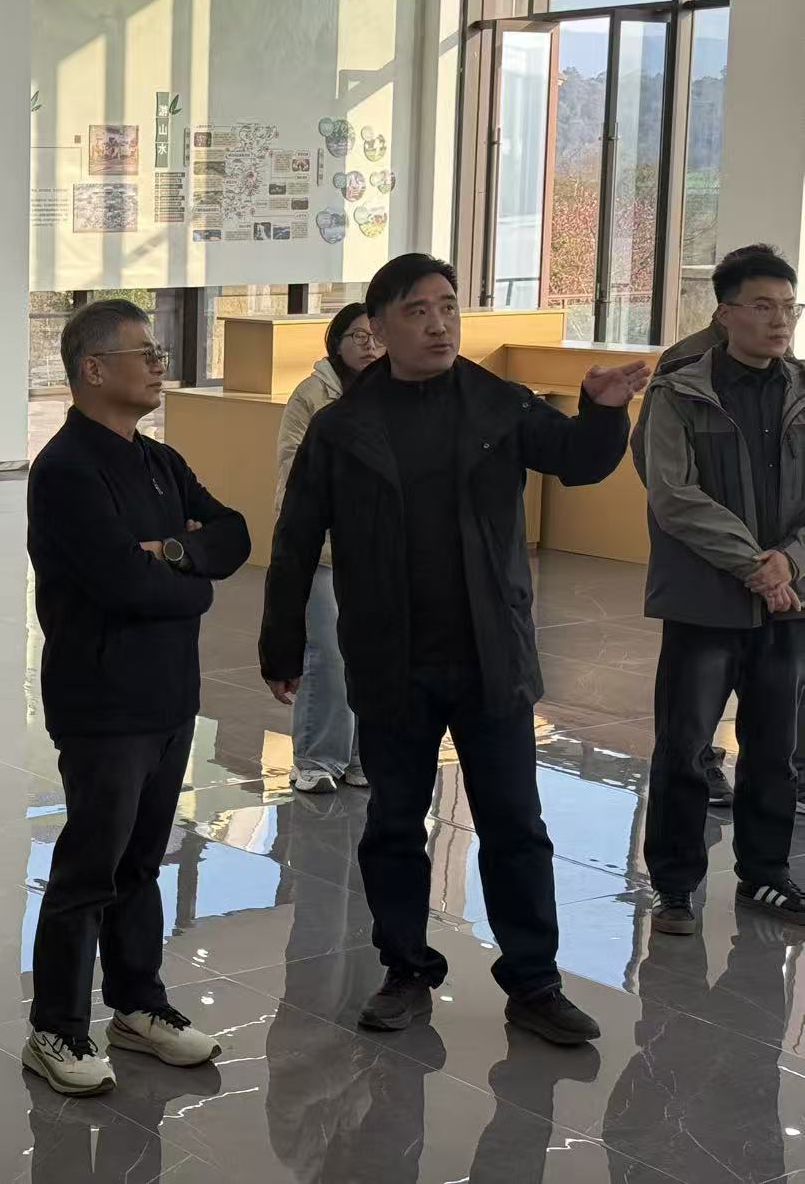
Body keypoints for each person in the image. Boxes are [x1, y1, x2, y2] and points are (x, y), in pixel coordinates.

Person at [259, 254, 647, 1047]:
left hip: (488, 652)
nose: (439, 325)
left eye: (448, 307)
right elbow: (296, 538)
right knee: (395, 824)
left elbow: (578, 462)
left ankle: (534, 983)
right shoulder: (342, 427)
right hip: (391, 656)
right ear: (378, 327)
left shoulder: (498, 403)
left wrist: (603, 411)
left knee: (515, 823)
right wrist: (281, 643)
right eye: (417, 311)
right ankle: (405, 970)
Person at [24, 298, 251, 1097]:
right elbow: (125, 583)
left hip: (168, 694)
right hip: (103, 700)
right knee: (91, 865)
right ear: (93, 370)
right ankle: (56, 1026)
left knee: (143, 861)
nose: (159, 365)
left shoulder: (159, 461)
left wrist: (174, 553)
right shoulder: (65, 470)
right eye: (144, 354)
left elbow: (234, 535)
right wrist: (192, 578)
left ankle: (137, 1004)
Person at [639, 246, 805, 934]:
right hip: (704, 602)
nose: (780, 321)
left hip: (788, 605)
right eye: (763, 306)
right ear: (726, 313)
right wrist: (754, 565)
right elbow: (673, 495)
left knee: (773, 751)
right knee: (684, 748)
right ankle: (676, 886)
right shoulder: (680, 391)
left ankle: (765, 875)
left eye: (789, 307)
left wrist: (789, 562)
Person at [273, 302, 377, 794]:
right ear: (336, 342)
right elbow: (292, 472)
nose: (370, 346)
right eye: (358, 336)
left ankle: (361, 758)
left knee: (371, 657)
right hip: (324, 549)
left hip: (376, 553)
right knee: (329, 657)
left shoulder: (393, 393)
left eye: (376, 336)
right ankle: (316, 759)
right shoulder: (311, 396)